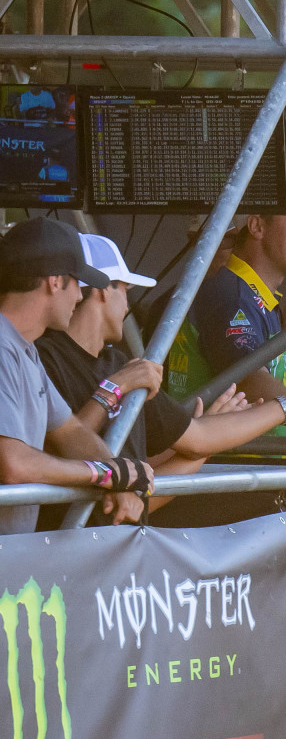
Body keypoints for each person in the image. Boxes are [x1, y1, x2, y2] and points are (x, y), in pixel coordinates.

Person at [40, 235, 286, 496]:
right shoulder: (44, 359)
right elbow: (59, 456)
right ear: (104, 289)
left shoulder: (120, 364)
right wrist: (115, 388)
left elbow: (195, 442)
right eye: (126, 289)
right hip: (59, 536)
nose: (128, 304)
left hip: (117, 535)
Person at [0, 218, 155, 528]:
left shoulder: (26, 350)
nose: (80, 296)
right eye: (77, 283)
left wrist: (118, 473)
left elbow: (70, 431)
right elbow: (14, 464)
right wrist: (101, 474)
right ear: (55, 281)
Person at [172, 194, 286, 406]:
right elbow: (249, 383)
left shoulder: (253, 294)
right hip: (210, 429)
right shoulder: (234, 297)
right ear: (257, 226)